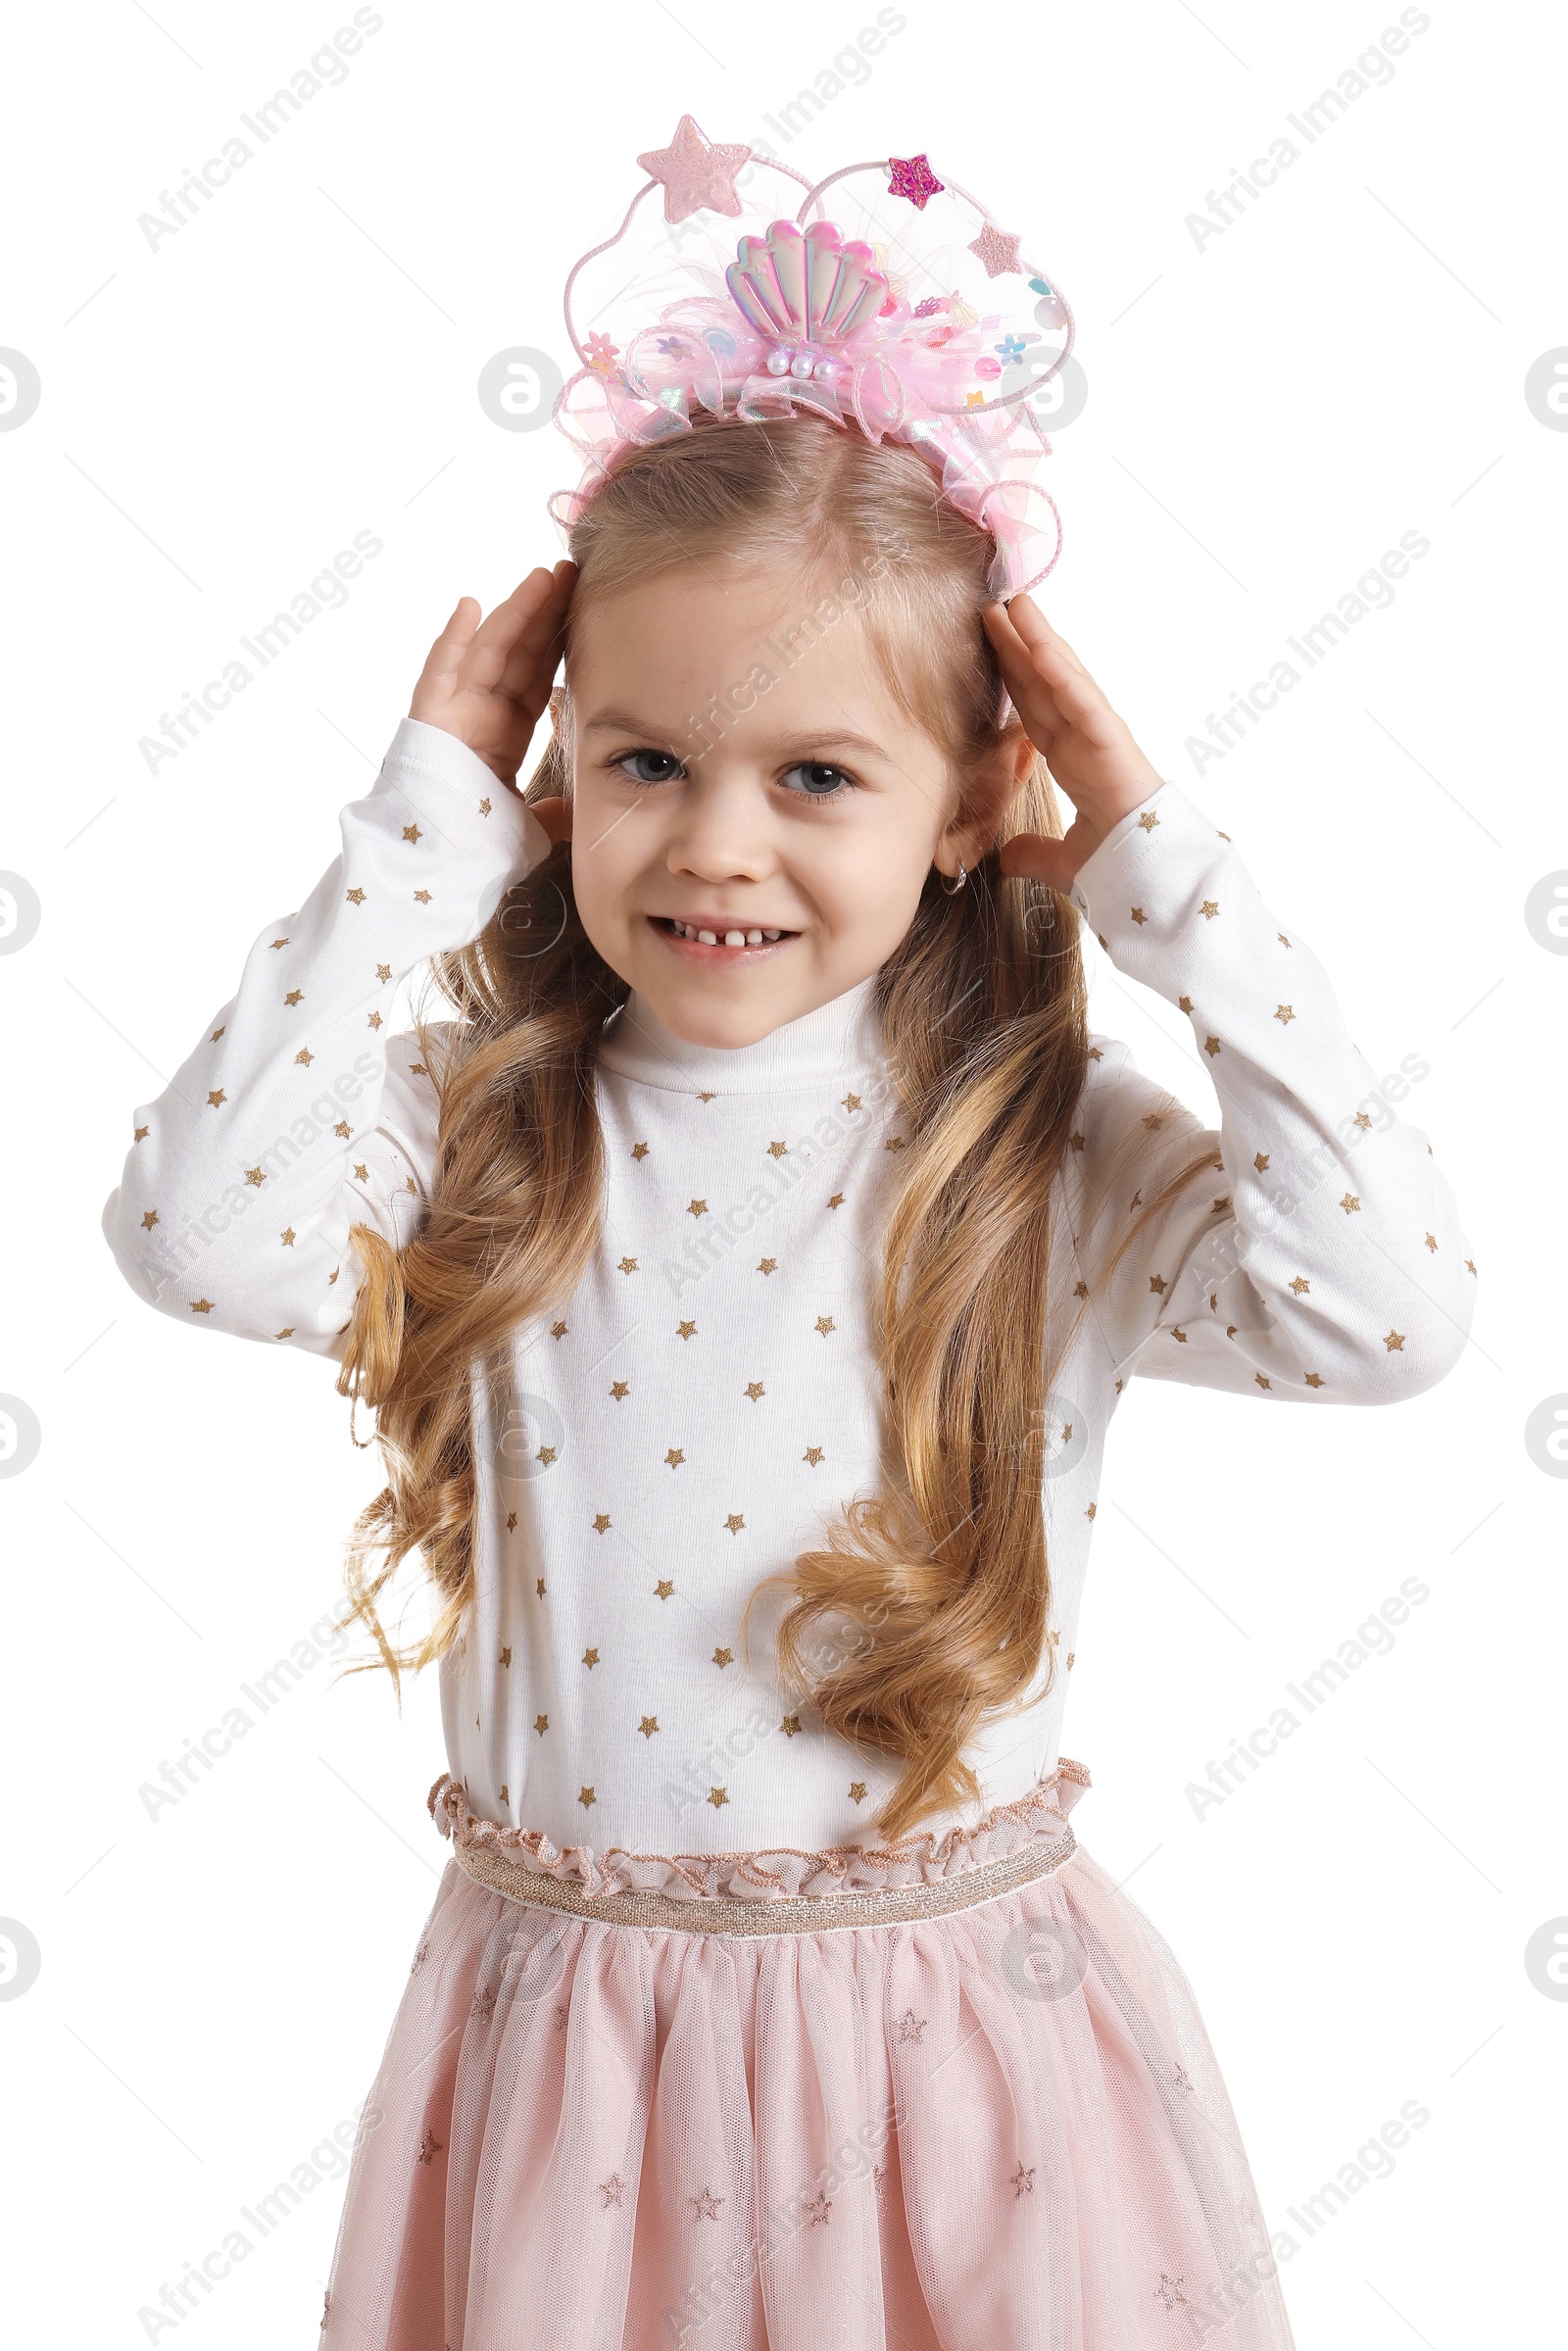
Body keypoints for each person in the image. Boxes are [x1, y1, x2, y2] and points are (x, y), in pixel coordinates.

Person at [102, 137, 1473, 2351]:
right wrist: (415, 820)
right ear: (556, 783)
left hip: (958, 2062)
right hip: (570, 2065)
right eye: (644, 757)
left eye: (818, 777)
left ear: (967, 813)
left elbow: (1389, 1309)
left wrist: (1158, 864)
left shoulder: (1039, 1154)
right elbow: (186, 1231)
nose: (714, 844)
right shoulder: (490, 1138)